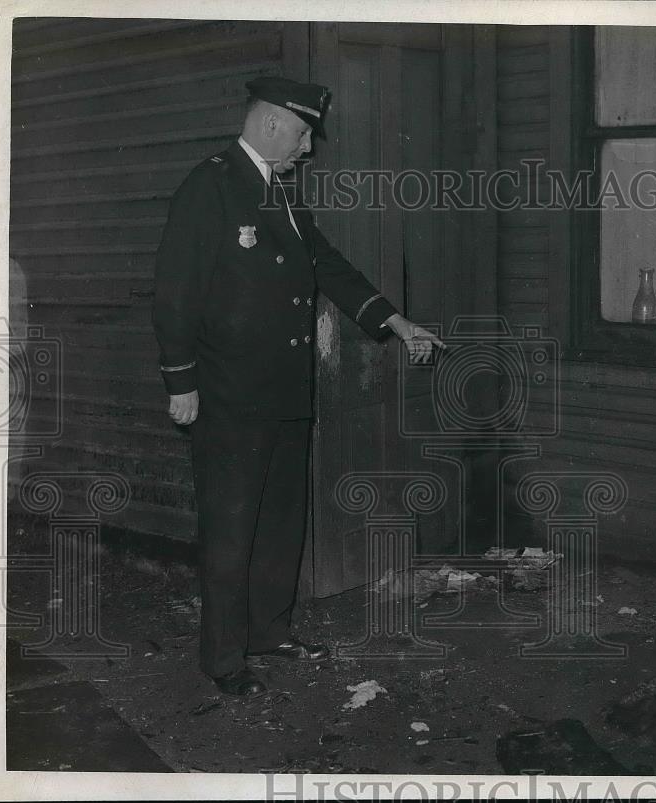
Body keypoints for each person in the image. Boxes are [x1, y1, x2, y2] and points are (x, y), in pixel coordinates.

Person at [152, 76, 444, 697]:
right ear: (272, 123)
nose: (309, 148)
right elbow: (176, 293)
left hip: (285, 391)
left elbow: (327, 265)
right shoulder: (211, 186)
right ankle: (224, 659)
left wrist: (396, 322)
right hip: (228, 393)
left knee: (281, 521)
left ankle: (269, 632)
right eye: (306, 133)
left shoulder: (278, 192)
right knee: (231, 530)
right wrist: (181, 381)